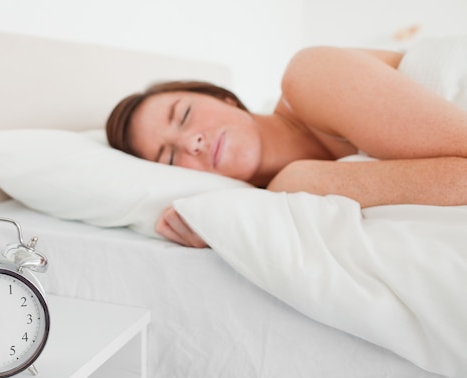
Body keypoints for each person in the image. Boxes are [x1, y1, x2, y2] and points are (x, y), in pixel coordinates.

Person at [105, 46, 467, 248]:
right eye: (170, 157)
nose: (191, 142)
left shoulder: (311, 76)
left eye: (184, 115)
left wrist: (298, 180)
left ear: (223, 97)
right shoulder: (281, 199)